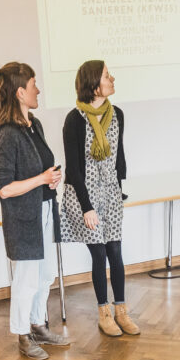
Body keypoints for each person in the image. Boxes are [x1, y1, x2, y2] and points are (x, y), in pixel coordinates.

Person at [0, 61, 70, 360]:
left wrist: (49, 177)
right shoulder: (7, 134)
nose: (38, 89)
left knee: (45, 275)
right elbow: (4, 188)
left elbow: (39, 167)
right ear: (21, 92)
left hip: (45, 210)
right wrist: (40, 178)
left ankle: (38, 326)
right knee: (26, 279)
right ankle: (22, 336)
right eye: (34, 84)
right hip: (24, 219)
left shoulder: (33, 125)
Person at [62, 59, 139, 339]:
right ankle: (103, 313)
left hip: (111, 193)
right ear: (94, 84)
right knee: (99, 254)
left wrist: (119, 190)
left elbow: (118, 155)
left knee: (116, 251)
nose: (112, 79)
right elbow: (73, 167)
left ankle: (122, 311)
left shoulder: (117, 114)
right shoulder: (74, 119)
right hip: (84, 195)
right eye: (107, 76)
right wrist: (87, 207)